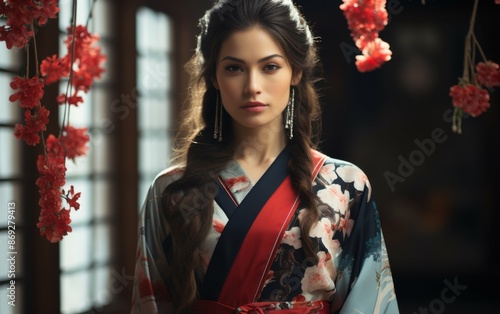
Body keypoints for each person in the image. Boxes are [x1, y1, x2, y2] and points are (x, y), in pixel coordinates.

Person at [131, 0, 399, 313]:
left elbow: (368, 301)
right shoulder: (172, 190)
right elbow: (151, 301)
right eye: (234, 68)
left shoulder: (346, 185)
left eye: (270, 67)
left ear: (295, 72)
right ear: (215, 78)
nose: (252, 86)